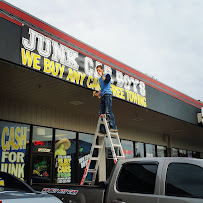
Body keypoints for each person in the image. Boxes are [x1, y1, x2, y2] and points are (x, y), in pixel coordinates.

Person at [94, 65, 118, 133]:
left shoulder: (107, 75)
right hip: (103, 95)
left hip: (107, 94)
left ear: (102, 70)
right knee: (101, 112)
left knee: (108, 111)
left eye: (99, 70)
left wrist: (102, 75)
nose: (98, 72)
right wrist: (98, 93)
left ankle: (113, 127)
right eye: (97, 71)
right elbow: (102, 88)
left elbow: (107, 81)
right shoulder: (99, 80)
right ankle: (102, 129)